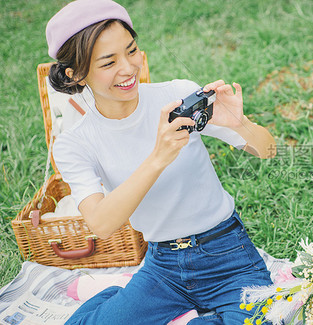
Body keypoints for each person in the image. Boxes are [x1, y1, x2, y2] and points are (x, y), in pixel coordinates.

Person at [45, 1, 276, 324]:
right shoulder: (75, 142)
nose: (128, 68)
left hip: (227, 255)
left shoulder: (177, 97)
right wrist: (158, 157)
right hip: (162, 268)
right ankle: (119, 299)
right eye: (108, 62)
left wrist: (240, 124)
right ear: (77, 74)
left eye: (132, 51)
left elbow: (268, 150)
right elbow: (100, 223)